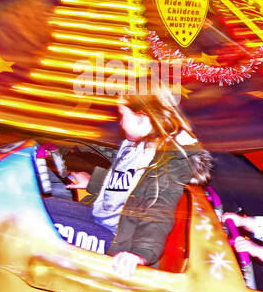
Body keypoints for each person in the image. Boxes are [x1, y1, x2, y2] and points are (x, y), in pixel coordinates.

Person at [48, 90, 211, 277]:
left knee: (37, 221)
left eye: (122, 115)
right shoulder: (135, 144)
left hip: (121, 240)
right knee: (42, 206)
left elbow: (158, 208)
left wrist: (140, 253)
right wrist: (93, 181)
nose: (120, 123)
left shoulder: (168, 159)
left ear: (142, 117)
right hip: (105, 218)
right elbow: (129, 184)